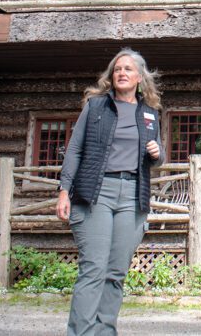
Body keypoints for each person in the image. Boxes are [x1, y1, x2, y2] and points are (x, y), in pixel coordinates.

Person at [56, 48, 165, 336]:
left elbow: (157, 156)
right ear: (111, 76)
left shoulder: (150, 114)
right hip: (97, 192)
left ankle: (104, 332)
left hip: (132, 195)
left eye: (128, 69)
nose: (122, 73)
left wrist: (157, 152)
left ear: (139, 78)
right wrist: (64, 190)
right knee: (93, 269)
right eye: (117, 69)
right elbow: (75, 148)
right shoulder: (95, 107)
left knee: (115, 273)